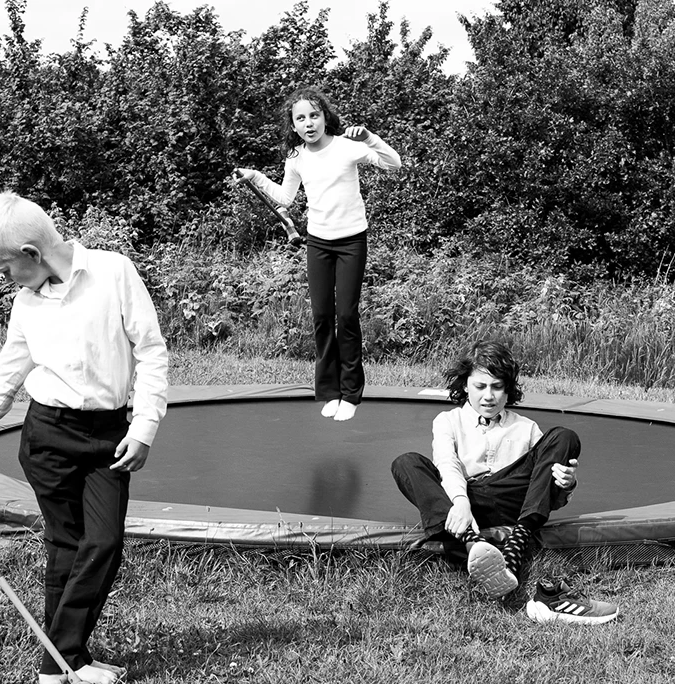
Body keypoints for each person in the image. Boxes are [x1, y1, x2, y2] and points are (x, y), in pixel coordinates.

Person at [0, 192, 170, 684]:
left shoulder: (114, 273)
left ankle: (61, 657)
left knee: (104, 541)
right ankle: (66, 662)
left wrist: (144, 427)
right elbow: (2, 384)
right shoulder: (27, 305)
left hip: (111, 435)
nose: (6, 281)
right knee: (66, 544)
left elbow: (152, 352)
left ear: (31, 252)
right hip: (48, 437)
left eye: (6, 268)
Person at [391, 341, 618, 625]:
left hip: (513, 500)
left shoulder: (526, 428)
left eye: (497, 386)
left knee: (564, 436)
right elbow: (447, 464)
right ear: (465, 386)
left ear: (508, 388)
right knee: (406, 462)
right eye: (480, 386)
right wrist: (460, 503)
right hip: (468, 501)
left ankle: (516, 542)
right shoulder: (448, 421)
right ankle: (474, 545)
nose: (489, 396)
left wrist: (565, 484)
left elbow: (546, 490)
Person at [236, 86, 401, 422]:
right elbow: (285, 198)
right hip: (319, 243)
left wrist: (370, 137)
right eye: (301, 118)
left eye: (314, 115)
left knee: (347, 316)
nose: (309, 123)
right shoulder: (296, 158)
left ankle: (351, 393)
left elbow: (393, 164)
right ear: (293, 126)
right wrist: (256, 177)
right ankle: (329, 391)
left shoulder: (348, 147)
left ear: (325, 117)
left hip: (352, 241)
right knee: (323, 317)